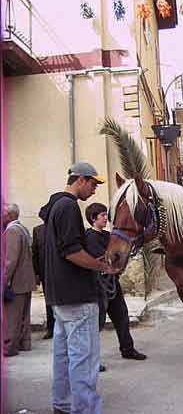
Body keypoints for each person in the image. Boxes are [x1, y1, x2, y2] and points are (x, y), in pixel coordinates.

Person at [39, 162, 118, 414]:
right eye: (93, 184)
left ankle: (62, 405)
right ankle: (84, 409)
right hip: (77, 296)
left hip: (60, 296)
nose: (94, 190)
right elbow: (72, 251)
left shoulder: (53, 207)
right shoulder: (69, 206)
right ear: (81, 179)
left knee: (63, 357)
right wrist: (103, 267)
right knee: (84, 360)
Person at [85, 203, 147, 364]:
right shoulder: (90, 237)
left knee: (122, 316)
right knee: (96, 323)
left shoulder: (108, 236)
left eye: (106, 215)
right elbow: (105, 259)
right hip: (98, 286)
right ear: (93, 219)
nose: (106, 218)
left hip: (112, 283)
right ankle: (92, 360)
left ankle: (127, 349)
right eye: (102, 215)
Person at [3, 203, 36, 357]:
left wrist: (4, 279)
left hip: (16, 281)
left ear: (10, 215)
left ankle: (10, 347)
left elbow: (11, 260)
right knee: (23, 314)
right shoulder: (22, 228)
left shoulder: (11, 231)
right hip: (25, 279)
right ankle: (25, 343)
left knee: (13, 316)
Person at [32, 223, 55, 339]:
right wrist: (36, 274)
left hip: (60, 272)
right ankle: (51, 328)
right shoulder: (38, 230)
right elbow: (35, 253)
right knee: (49, 301)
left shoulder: (61, 227)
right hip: (45, 271)